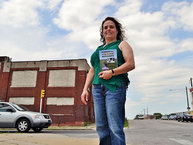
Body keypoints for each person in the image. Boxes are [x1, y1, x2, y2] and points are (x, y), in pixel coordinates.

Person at [81, 17, 135, 145]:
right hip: (97, 89)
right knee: (101, 127)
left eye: (111, 27)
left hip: (114, 87)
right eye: (105, 27)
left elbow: (131, 64)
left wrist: (111, 72)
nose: (108, 29)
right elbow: (93, 70)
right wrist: (85, 89)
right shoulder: (98, 50)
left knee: (115, 127)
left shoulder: (121, 44)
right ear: (102, 31)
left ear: (117, 30)